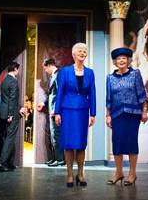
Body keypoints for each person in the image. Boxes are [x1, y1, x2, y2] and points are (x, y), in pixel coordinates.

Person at [53, 42, 96, 188]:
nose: (82, 53)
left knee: (81, 144)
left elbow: (92, 94)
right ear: (73, 54)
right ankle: (70, 174)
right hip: (67, 111)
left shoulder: (90, 72)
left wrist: (93, 113)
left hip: (83, 111)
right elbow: (59, 93)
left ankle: (81, 174)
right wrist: (57, 112)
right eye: (80, 50)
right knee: (69, 144)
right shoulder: (64, 71)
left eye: (85, 51)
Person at [105, 47, 148, 187]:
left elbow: (142, 94)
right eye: (118, 59)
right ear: (115, 61)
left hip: (133, 114)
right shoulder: (110, 78)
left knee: (131, 142)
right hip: (116, 115)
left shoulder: (135, 74)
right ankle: (118, 172)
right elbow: (108, 98)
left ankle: (132, 173)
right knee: (117, 143)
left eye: (124, 58)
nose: (121, 60)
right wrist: (108, 115)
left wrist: (144, 111)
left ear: (128, 60)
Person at [0, 62, 27, 172]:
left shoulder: (4, 80)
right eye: (17, 69)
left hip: (3, 112)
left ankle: (9, 163)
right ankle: (2, 162)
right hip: (11, 114)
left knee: (7, 137)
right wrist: (11, 114)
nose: (18, 72)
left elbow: (7, 98)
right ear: (14, 69)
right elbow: (12, 99)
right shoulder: (13, 81)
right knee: (10, 138)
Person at [42, 58, 64, 166]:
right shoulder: (53, 76)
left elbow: (60, 93)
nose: (45, 70)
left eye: (45, 68)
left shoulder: (59, 74)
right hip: (52, 109)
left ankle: (60, 159)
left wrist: (56, 110)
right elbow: (52, 94)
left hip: (56, 111)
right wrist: (44, 103)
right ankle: (55, 158)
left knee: (56, 135)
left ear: (50, 65)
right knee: (53, 135)